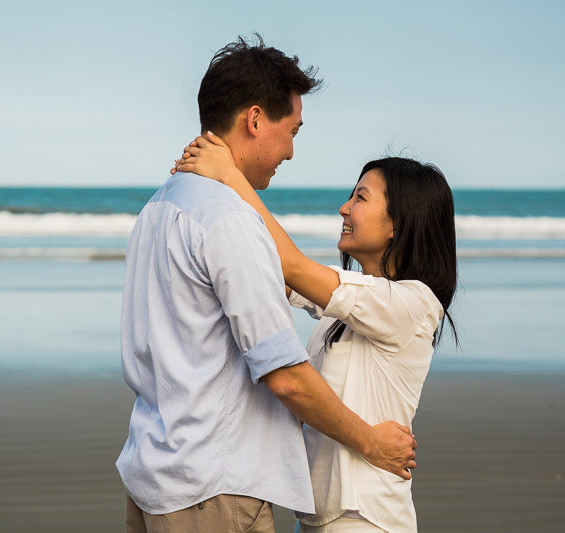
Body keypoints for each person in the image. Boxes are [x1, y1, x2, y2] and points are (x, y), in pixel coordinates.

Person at [117, 35, 417, 533]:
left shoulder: (158, 207)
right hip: (215, 486)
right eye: (292, 130)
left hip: (154, 475)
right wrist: (370, 442)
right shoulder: (227, 219)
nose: (292, 152)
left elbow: (292, 282)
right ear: (255, 120)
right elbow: (284, 375)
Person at [175, 133, 458, 532]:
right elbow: (274, 272)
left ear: (398, 223)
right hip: (320, 514)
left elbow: (290, 265)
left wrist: (229, 175)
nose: (344, 208)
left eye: (361, 198)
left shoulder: (412, 304)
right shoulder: (350, 302)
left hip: (364, 517)